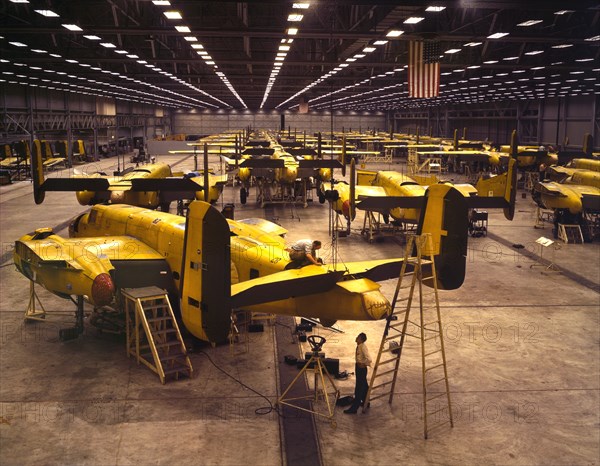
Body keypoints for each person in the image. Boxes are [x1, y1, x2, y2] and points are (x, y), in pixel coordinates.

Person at [344, 332, 372, 414]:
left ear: (361, 339)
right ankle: (366, 402)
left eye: (358, 337)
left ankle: (354, 408)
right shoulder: (359, 346)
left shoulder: (363, 347)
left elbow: (369, 359)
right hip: (358, 367)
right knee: (365, 385)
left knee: (359, 388)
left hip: (361, 368)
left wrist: (363, 364)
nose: (356, 338)